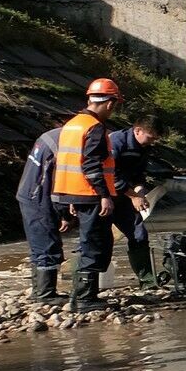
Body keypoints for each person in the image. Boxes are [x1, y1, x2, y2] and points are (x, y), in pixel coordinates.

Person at [51, 78, 122, 313]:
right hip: (90, 194)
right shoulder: (95, 127)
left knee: (87, 242)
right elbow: (91, 164)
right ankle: (85, 298)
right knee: (96, 243)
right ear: (110, 103)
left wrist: (70, 199)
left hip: (72, 192)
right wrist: (104, 195)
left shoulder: (72, 124)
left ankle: (79, 296)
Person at [109, 114, 164, 289]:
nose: (152, 142)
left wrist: (140, 189)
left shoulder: (144, 147)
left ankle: (148, 281)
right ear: (138, 130)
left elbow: (139, 173)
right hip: (102, 196)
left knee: (139, 233)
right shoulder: (116, 142)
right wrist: (133, 196)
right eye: (150, 137)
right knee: (97, 238)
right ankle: (83, 286)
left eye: (155, 139)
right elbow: (110, 174)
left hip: (124, 195)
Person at [16, 126, 69, 301]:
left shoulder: (51, 136)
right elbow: (57, 183)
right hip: (39, 197)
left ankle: (38, 291)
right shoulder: (65, 145)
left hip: (28, 193)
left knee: (38, 245)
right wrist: (64, 213)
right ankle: (46, 294)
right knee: (48, 245)